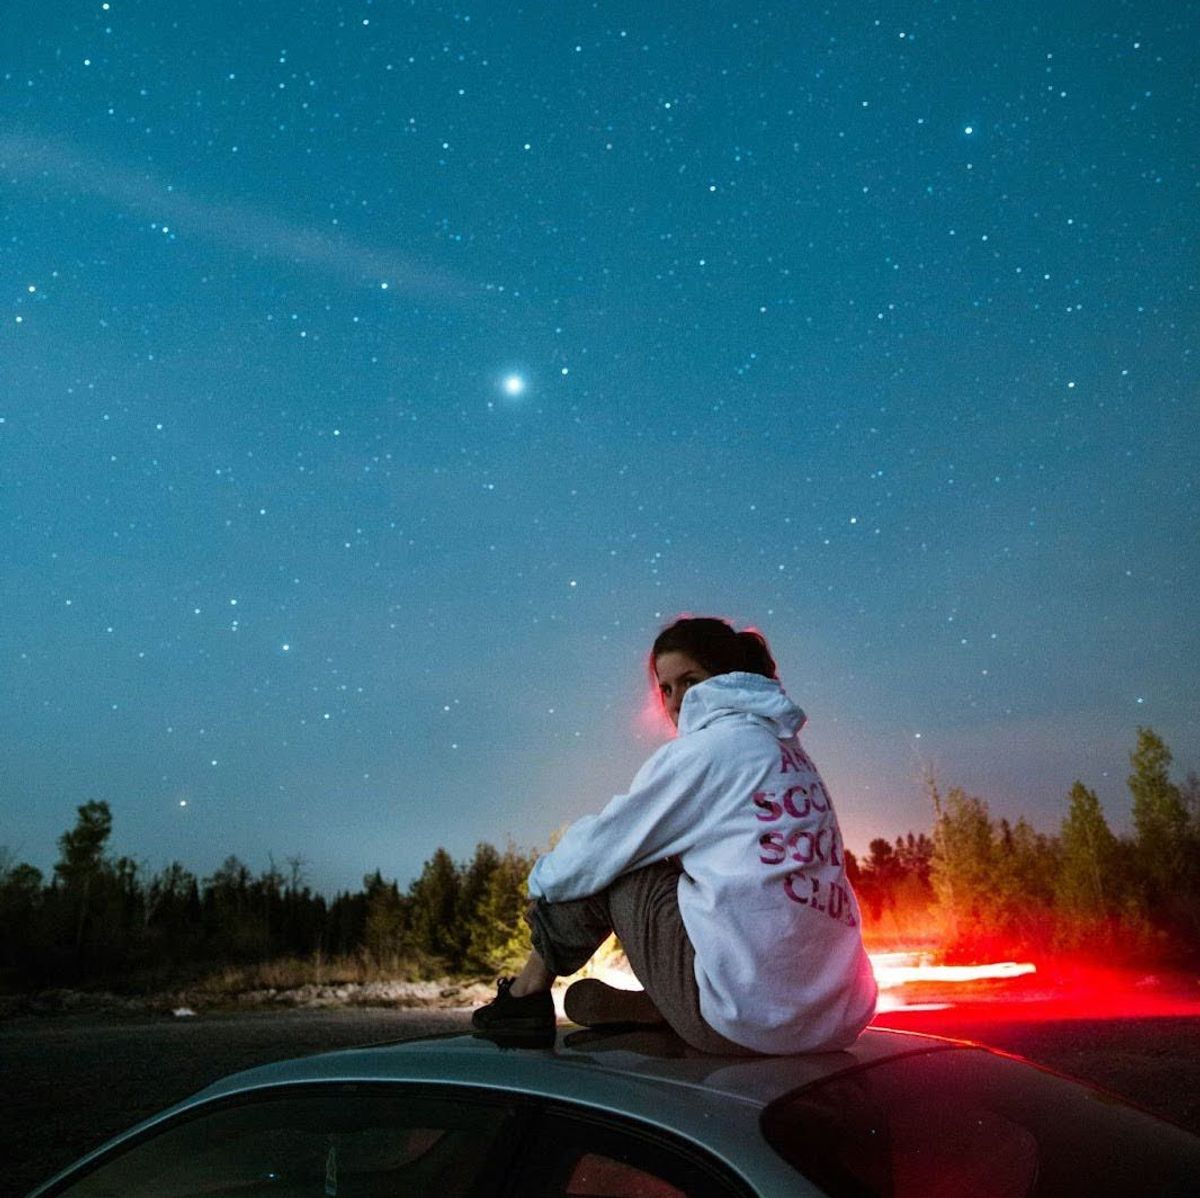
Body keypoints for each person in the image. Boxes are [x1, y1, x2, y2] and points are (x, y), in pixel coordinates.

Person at [472, 616, 877, 1054]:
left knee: (620, 863)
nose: (677, 701)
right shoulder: (788, 752)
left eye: (691, 681)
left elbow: (602, 847)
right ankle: (666, 1004)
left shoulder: (709, 751)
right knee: (658, 858)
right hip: (832, 1018)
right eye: (666, 689)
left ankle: (526, 997)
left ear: (728, 677)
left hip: (750, 1023)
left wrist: (542, 884)